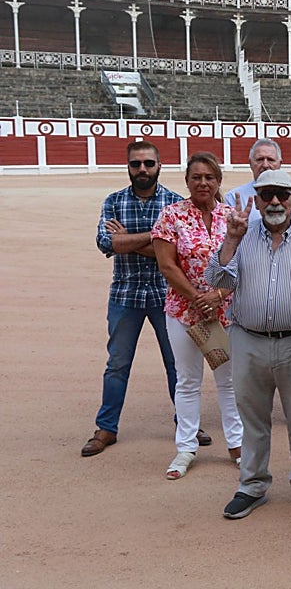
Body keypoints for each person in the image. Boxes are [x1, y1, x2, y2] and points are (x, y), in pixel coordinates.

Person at [208, 169, 291, 520]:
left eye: (283, 194)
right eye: (267, 195)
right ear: (257, 199)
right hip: (248, 340)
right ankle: (251, 485)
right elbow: (216, 281)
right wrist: (231, 241)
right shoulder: (241, 235)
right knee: (252, 418)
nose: (275, 201)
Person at [83, 140, 182, 458]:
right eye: (136, 164)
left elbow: (178, 252)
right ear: (128, 167)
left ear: (159, 166)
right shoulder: (113, 201)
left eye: (148, 164)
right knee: (117, 364)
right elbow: (105, 242)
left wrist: (127, 239)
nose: (142, 169)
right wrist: (156, 240)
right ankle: (106, 427)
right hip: (125, 293)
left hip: (167, 295)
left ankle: (187, 423)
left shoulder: (175, 203)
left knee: (177, 364)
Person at [151, 152, 242, 481]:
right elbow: (167, 265)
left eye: (209, 177)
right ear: (187, 181)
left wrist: (217, 296)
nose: (203, 182)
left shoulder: (230, 216)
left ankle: (237, 444)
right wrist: (197, 299)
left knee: (228, 381)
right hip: (183, 312)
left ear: (218, 181)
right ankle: (186, 446)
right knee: (187, 381)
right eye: (196, 177)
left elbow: (240, 265)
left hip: (224, 313)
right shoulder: (171, 215)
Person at [224, 138, 291, 226]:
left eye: (270, 160)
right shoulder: (233, 197)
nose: (265, 165)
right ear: (250, 163)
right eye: (260, 159)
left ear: (279, 163)